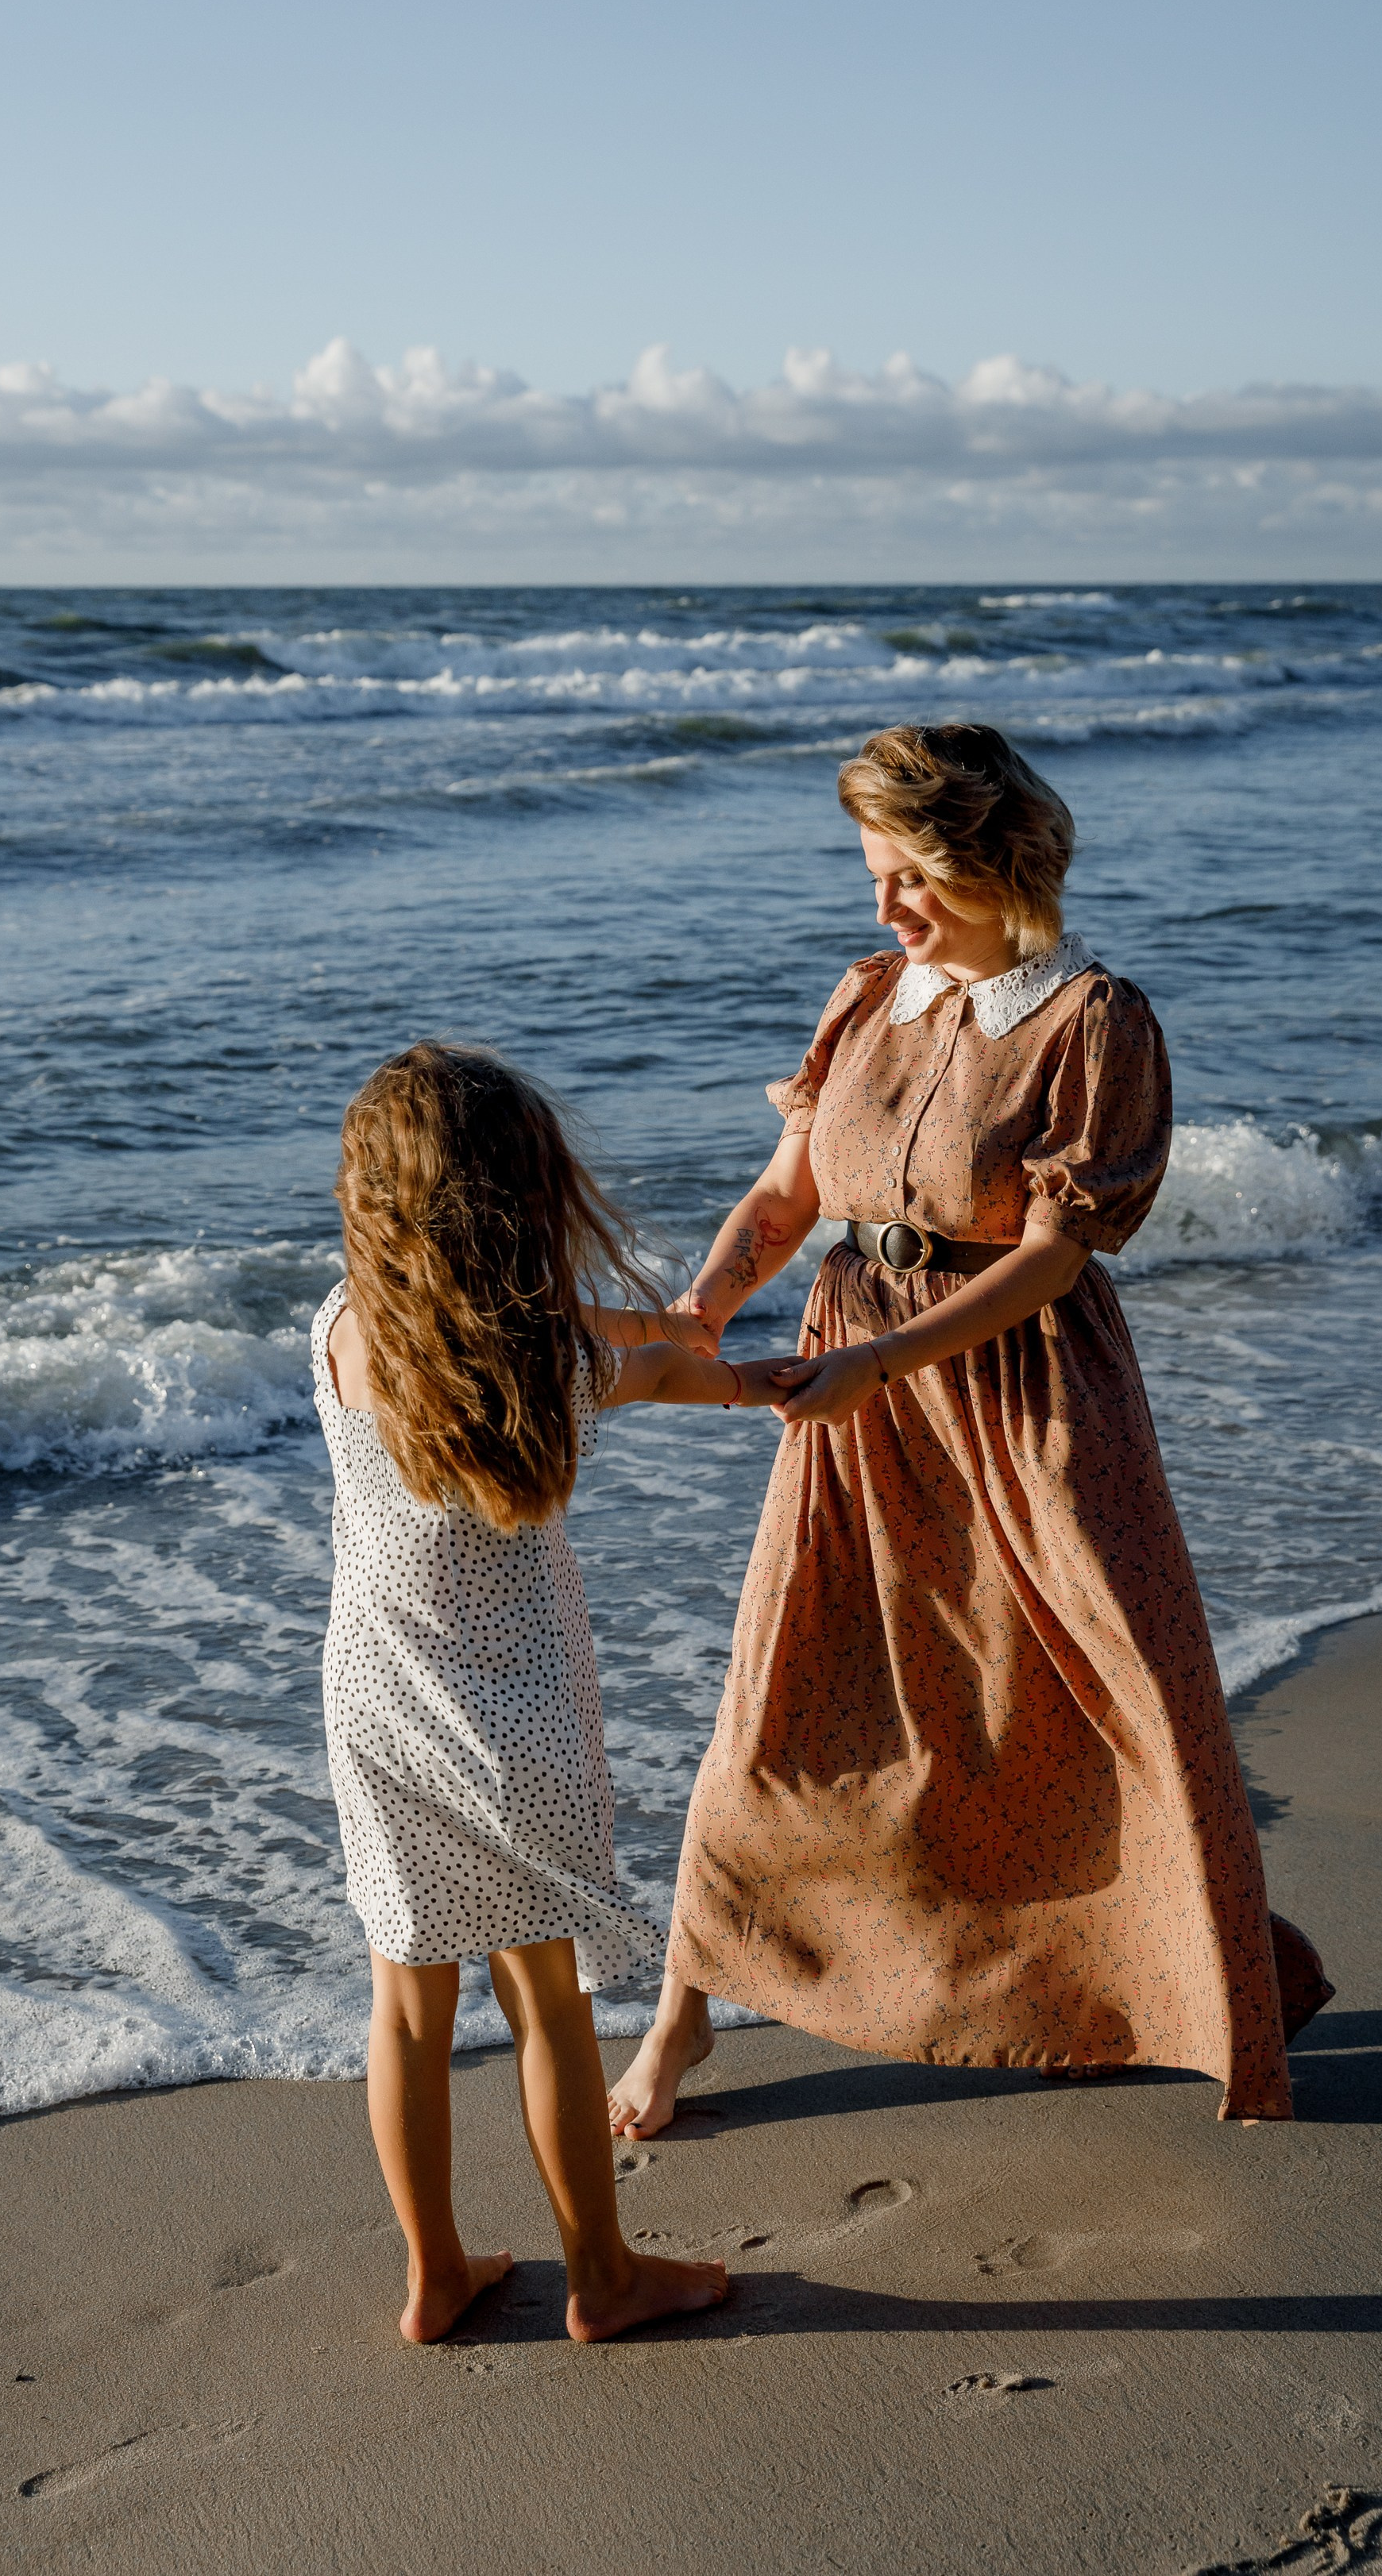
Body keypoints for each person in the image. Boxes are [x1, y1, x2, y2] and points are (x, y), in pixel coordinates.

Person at [608, 722, 1330, 2141]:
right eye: (873, 873)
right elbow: (784, 1193)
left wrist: (884, 1358)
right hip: (857, 1396)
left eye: (912, 877)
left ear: (1000, 866)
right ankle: (681, 2026)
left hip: (1019, 1397)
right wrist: (694, 1314)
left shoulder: (1091, 1020)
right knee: (782, 1714)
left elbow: (1055, 1258)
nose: (883, 907)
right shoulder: (867, 995)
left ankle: (1188, 1996)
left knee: (1101, 1703)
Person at [315, 1039, 789, 2343]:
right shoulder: (548, 1369)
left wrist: (679, 1325)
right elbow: (654, 1364)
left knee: (407, 2007)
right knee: (547, 2003)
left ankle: (431, 2274)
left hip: (372, 1702)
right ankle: (602, 2275)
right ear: (521, 1204)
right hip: (512, 1726)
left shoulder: (342, 1332)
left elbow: (617, 1337)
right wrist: (753, 1377)